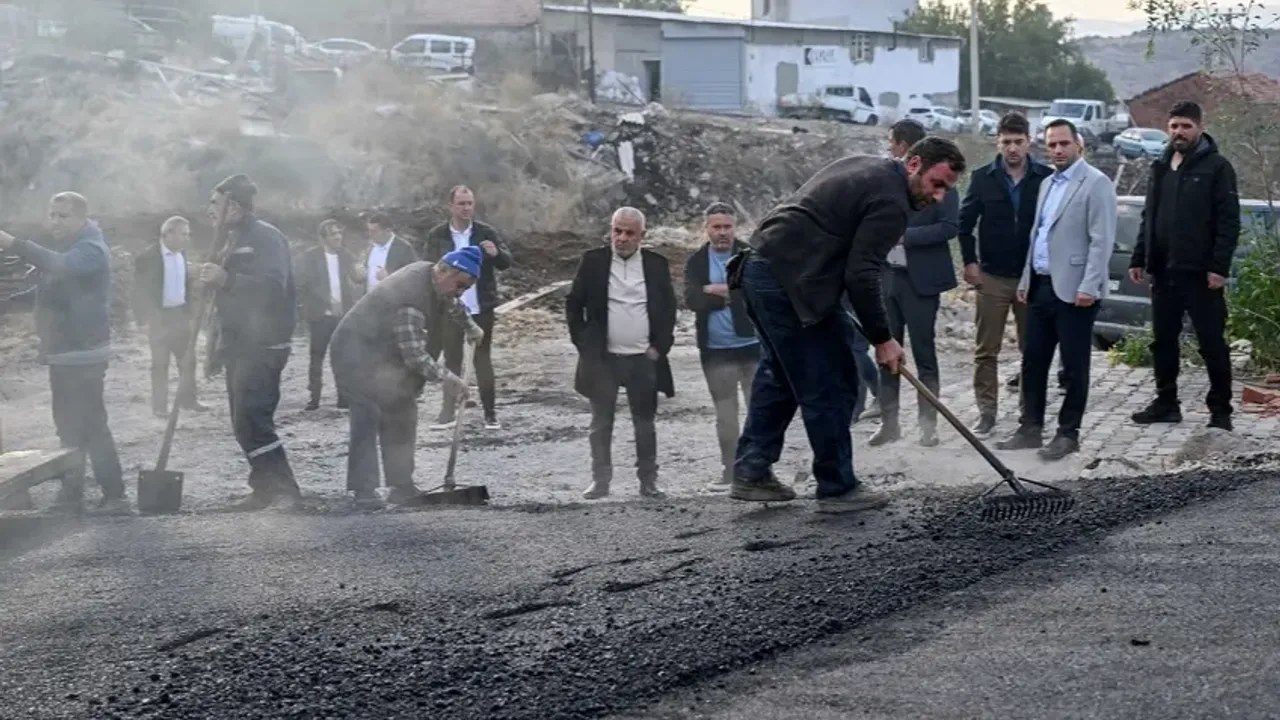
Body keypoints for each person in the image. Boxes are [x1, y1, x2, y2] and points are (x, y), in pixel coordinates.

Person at [730, 138, 966, 513]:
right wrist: (883, 338)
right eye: (936, 184)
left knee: (781, 374)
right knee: (831, 380)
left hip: (765, 269)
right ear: (914, 163)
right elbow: (863, 273)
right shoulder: (892, 201)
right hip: (789, 281)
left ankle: (751, 470)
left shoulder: (869, 166)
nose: (938, 197)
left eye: (946, 190)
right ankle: (837, 487)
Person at [0, 192, 127, 514]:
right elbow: (50, 289)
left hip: (83, 354)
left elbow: (60, 267)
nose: (55, 221)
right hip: (64, 353)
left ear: (82, 218)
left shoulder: (90, 250)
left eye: (63, 216)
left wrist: (14, 243)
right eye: (52, 215)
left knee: (92, 426)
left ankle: (115, 496)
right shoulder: (71, 246)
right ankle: (72, 494)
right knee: (68, 426)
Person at [997, 120, 1117, 460]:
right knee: (1033, 361)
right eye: (1052, 145)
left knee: (1075, 366)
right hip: (1041, 286)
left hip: (1075, 290)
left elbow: (1101, 240)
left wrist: (1089, 285)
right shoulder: (1048, 183)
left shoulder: (1096, 184)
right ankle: (1029, 428)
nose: (1058, 150)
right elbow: (1039, 235)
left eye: (1064, 143)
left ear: (1079, 144)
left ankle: (1068, 434)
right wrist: (1025, 280)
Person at [330, 249, 481, 507]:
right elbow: (414, 357)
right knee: (368, 415)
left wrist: (471, 326)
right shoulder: (411, 298)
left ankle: (401, 486)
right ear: (444, 270)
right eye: (460, 285)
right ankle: (364, 491)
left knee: (403, 411)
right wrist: (449, 380)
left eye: (466, 288)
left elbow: (451, 301)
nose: (461, 292)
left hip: (385, 355)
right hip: (354, 352)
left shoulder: (435, 277)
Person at [1128, 100, 1239, 432]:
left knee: (1212, 344)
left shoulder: (1217, 168)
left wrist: (1219, 267)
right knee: (1162, 341)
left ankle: (1221, 411)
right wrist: (1139, 258)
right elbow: (1149, 216)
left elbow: (1228, 222)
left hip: (1201, 275)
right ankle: (1166, 403)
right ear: (1168, 128)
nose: (1179, 132)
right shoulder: (1160, 166)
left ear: (1200, 128)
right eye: (1174, 126)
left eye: (1186, 126)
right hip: (1164, 271)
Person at [198, 174, 302, 510]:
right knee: (242, 421)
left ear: (236, 207)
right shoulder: (230, 239)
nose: (209, 210)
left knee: (254, 418)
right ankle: (264, 488)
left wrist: (225, 278)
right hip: (239, 343)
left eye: (215, 203)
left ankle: (285, 490)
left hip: (265, 343)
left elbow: (273, 287)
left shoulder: (265, 238)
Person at [566, 207, 677, 500]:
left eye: (629, 232)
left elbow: (668, 309)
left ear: (642, 235)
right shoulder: (593, 262)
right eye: (617, 230)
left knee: (644, 423)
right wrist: (584, 345)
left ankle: (648, 481)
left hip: (643, 358)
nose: (622, 238)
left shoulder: (656, 264)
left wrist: (659, 348)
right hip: (603, 360)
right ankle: (600, 481)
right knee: (601, 423)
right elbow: (574, 305)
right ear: (610, 230)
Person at [958, 111, 1054, 435]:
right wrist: (970, 262)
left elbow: (1053, 227)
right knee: (986, 350)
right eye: (1007, 142)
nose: (1012, 148)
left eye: (1018, 142)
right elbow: (964, 225)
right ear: (997, 142)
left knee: (1033, 349)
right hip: (993, 277)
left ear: (1029, 142)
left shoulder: (1045, 178)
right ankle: (987, 412)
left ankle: (1030, 415)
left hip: (1032, 277)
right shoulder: (983, 177)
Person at [869, 119, 960, 448]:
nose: (889, 148)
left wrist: (906, 237)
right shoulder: (887, 182)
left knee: (924, 355)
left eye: (893, 142)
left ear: (907, 147)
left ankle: (927, 425)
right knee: (886, 353)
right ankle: (889, 423)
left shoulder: (942, 180)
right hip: (887, 280)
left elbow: (950, 227)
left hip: (921, 283)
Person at [420, 185, 513, 431]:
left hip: (481, 306)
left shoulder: (485, 232)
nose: (466, 208)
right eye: (461, 203)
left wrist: (496, 253)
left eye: (469, 203)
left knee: (483, 360)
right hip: (449, 306)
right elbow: (427, 267)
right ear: (451, 206)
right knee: (452, 359)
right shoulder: (437, 235)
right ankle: (448, 412)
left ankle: (490, 414)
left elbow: (506, 263)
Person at [683, 202, 758, 490]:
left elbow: (756, 292)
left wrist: (716, 290)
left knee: (758, 411)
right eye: (717, 227)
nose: (723, 232)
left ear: (734, 227)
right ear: (707, 229)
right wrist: (731, 292)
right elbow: (691, 300)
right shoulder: (697, 262)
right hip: (716, 350)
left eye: (727, 226)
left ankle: (757, 468)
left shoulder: (748, 254)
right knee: (726, 416)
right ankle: (731, 470)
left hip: (752, 345)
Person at [133, 215, 207, 419]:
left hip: (180, 315)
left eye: (188, 234)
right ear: (168, 234)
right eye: (183, 234)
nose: (187, 238)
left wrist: (189, 312)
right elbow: (139, 291)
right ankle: (160, 407)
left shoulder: (182, 254)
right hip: (159, 317)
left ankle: (188, 400)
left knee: (188, 361)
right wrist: (144, 320)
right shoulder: (148, 257)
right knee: (160, 364)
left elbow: (185, 284)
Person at [297, 218, 360, 411]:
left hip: (342, 315)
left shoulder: (345, 255)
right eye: (333, 234)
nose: (338, 237)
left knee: (342, 356)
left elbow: (356, 278)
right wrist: (327, 300)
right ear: (323, 238)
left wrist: (361, 273)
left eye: (339, 233)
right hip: (320, 315)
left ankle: (343, 397)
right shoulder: (311, 256)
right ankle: (314, 398)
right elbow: (306, 283)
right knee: (317, 356)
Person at [357, 212, 416, 291]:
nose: (370, 234)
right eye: (369, 231)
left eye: (374, 231)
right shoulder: (370, 246)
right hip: (370, 300)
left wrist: (389, 278)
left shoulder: (404, 248)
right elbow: (365, 274)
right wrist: (361, 273)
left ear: (388, 231)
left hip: (392, 300)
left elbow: (413, 278)